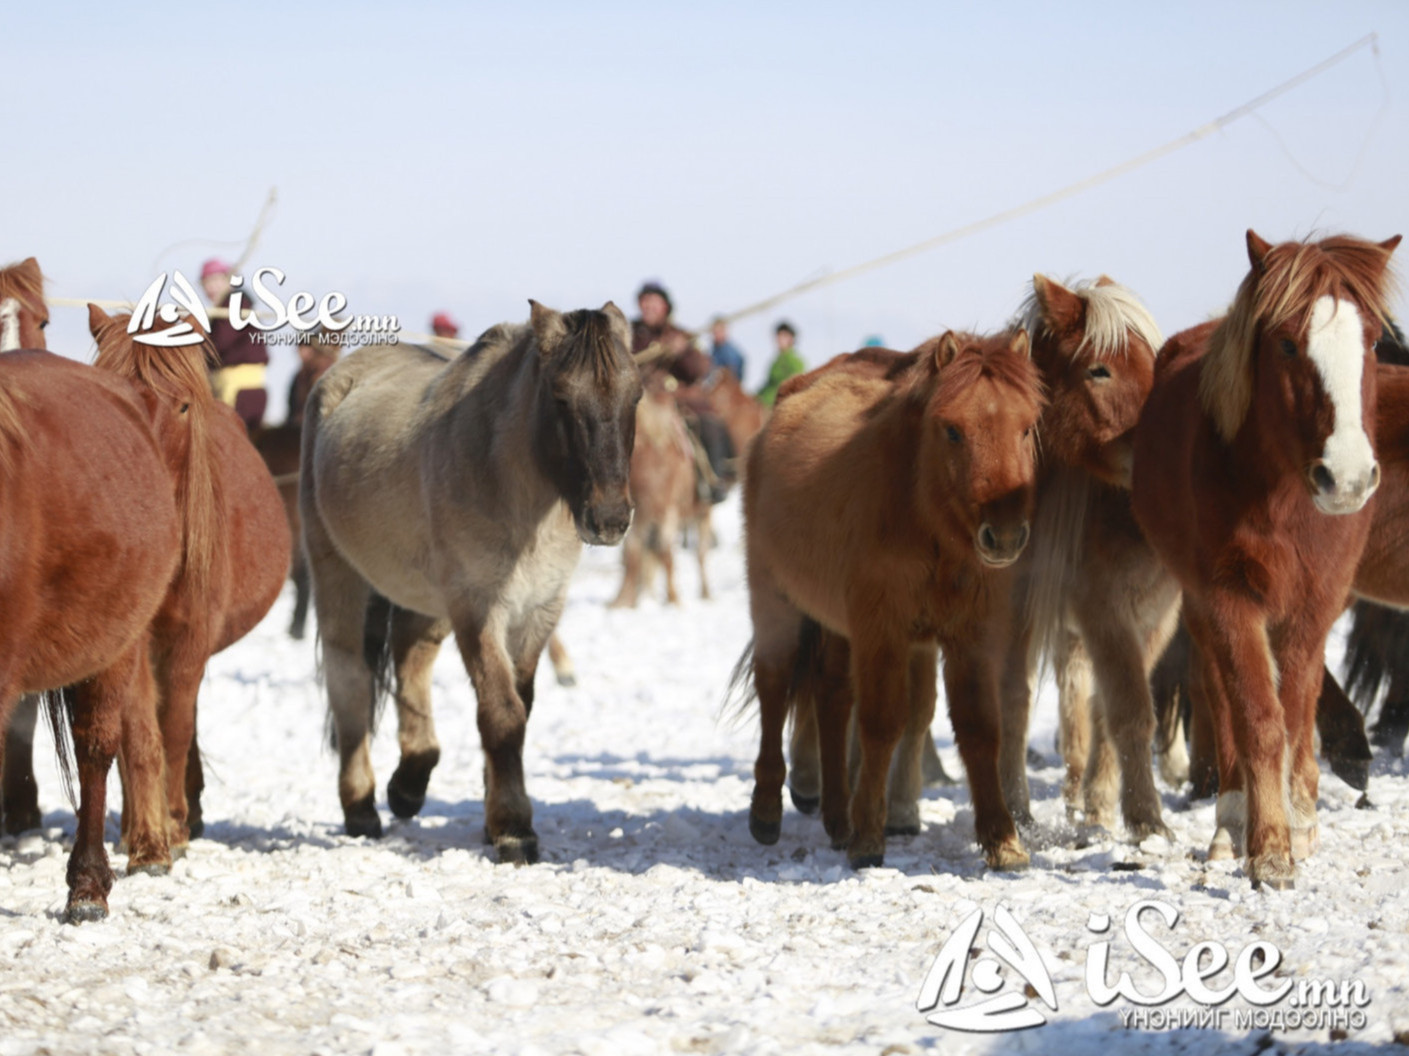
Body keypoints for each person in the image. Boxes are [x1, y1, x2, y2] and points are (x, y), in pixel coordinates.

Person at [630, 281, 733, 502]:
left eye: (653, 302)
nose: (648, 306)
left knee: (709, 423)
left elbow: (700, 370)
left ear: (665, 307)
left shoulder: (681, 335)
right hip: (641, 400)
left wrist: (683, 351)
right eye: (644, 301)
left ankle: (712, 480)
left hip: (677, 400)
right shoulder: (631, 336)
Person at [201, 258, 269, 432]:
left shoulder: (235, 305)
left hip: (239, 389)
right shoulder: (221, 309)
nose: (211, 287)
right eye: (206, 282)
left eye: (216, 281)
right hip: (230, 385)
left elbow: (220, 342)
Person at [757, 320, 805, 407]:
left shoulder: (796, 362)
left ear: (791, 339)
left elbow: (795, 386)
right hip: (765, 401)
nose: (779, 339)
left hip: (778, 404)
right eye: (778, 335)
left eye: (783, 336)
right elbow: (767, 384)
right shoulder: (775, 362)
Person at [709, 316, 746, 381]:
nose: (716, 335)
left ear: (724, 331)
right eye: (714, 332)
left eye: (718, 332)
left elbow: (733, 372)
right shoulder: (714, 351)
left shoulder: (730, 352)